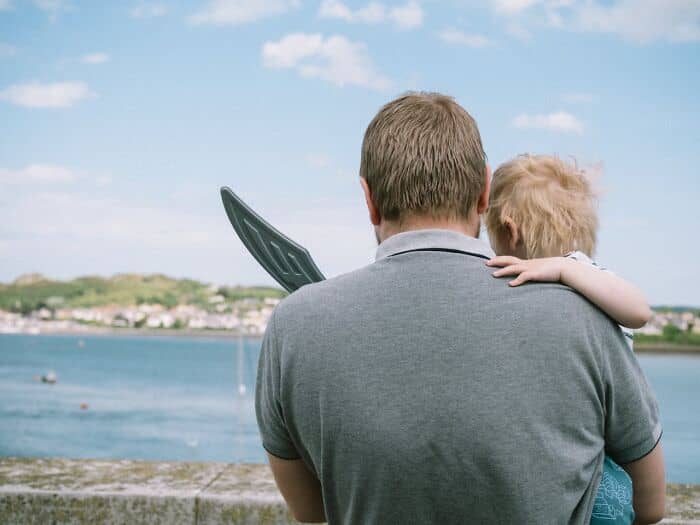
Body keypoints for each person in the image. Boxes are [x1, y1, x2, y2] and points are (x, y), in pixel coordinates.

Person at [255, 92, 665, 524]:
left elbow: (312, 509)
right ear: (484, 192)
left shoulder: (293, 323)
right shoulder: (583, 314)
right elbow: (650, 505)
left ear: (369, 199)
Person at [483, 154, 658, 524]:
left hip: (596, 451)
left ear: (510, 231)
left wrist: (566, 268)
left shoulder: (579, 270)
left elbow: (639, 311)